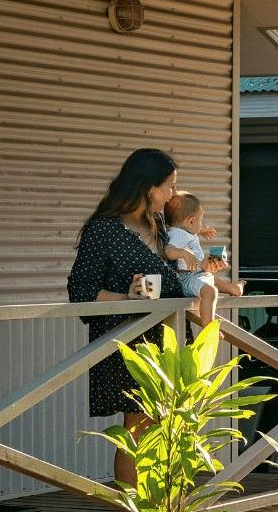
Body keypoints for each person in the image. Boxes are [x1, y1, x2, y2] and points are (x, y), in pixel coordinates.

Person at [67, 148, 194, 488]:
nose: (171, 196)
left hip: (169, 340)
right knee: (137, 431)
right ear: (149, 187)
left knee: (169, 429)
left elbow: (174, 276)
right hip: (129, 344)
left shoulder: (159, 226)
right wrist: (127, 297)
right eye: (169, 186)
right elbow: (81, 291)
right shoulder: (103, 230)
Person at [164, 191, 244, 326]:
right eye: (200, 220)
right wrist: (183, 252)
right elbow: (168, 251)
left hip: (196, 274)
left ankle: (234, 288)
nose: (201, 224)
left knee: (213, 280)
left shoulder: (178, 230)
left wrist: (201, 230)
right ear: (191, 221)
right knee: (211, 291)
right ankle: (208, 327)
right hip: (188, 277)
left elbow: (185, 228)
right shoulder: (180, 235)